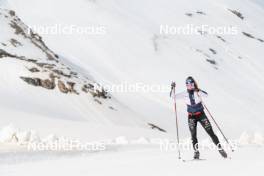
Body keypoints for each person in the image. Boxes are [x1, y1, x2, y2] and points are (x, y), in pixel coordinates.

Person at [174, 76, 227, 159]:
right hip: (191, 116)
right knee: (193, 135)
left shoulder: (197, 92)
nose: (189, 86)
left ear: (194, 84)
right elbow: (173, 96)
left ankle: (220, 149)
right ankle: (196, 152)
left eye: (191, 84)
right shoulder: (184, 93)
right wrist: (172, 88)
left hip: (201, 115)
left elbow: (206, 95)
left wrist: (199, 90)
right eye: (187, 84)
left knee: (210, 132)